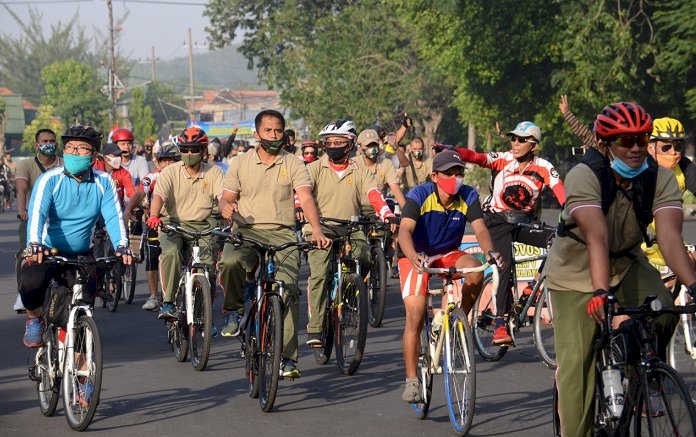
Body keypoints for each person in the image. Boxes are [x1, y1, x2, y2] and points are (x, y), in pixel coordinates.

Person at [546, 102, 696, 437]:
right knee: (577, 364)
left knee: (664, 310)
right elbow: (596, 236)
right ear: (603, 143)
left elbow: (671, 239)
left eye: (642, 139)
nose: (636, 148)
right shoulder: (584, 174)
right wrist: (601, 293)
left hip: (627, 261)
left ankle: (638, 374)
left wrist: (695, 285)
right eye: (625, 140)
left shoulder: (660, 177)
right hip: (576, 270)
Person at [217, 109, 331, 379]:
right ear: (256, 134)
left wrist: (316, 230)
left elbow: (305, 197)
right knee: (230, 262)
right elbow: (225, 198)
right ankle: (233, 311)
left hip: (282, 234)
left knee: (288, 290)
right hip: (246, 231)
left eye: (278, 130)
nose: (274, 135)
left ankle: (288, 359)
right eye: (268, 131)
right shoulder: (239, 163)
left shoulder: (293, 163)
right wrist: (226, 208)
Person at [398, 150, 501, 402]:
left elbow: (480, 228)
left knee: (475, 271)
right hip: (416, 254)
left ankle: (458, 323)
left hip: (448, 252)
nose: (455, 178)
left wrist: (490, 253)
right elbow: (404, 231)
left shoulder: (467, 195)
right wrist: (413, 256)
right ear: (434, 176)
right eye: (449, 174)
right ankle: (412, 380)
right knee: (416, 312)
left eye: (459, 173)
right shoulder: (420, 195)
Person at [450, 121, 565, 344]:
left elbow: (563, 196)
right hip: (497, 221)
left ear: (533, 144)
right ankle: (500, 324)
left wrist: (573, 218)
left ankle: (529, 291)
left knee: (559, 241)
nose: (515, 143)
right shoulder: (503, 159)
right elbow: (477, 157)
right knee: (503, 264)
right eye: (513, 138)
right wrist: (452, 151)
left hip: (524, 223)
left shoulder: (543, 166)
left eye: (521, 140)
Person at [20, 125, 133, 349]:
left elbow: (114, 217)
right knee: (30, 281)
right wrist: (34, 245)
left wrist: (122, 246)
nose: (74, 152)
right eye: (70, 147)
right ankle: (34, 319)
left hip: (83, 254)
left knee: (84, 311)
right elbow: (37, 215)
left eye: (82, 149)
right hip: (48, 251)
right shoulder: (50, 180)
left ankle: (82, 375)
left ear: (93, 155)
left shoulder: (104, 182)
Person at [303, 119, 397, 348]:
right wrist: (299, 210)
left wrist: (386, 214)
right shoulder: (314, 168)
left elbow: (374, 194)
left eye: (339, 142)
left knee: (366, 256)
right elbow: (302, 194)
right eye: (330, 142)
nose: (333, 145)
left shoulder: (361, 170)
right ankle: (316, 326)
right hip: (320, 229)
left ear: (350, 144)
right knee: (319, 274)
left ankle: (351, 290)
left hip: (351, 228)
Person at [147, 127, 224, 320]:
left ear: (204, 151)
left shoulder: (214, 173)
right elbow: (158, 195)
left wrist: (228, 210)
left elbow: (222, 197)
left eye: (194, 149)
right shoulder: (170, 172)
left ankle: (204, 314)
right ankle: (168, 302)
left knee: (209, 271)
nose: (189, 154)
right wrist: (154, 215)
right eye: (185, 149)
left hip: (204, 226)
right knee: (171, 253)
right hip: (173, 225)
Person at [13, 128, 63, 313]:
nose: (48, 144)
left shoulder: (64, 164)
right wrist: (22, 210)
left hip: (58, 218)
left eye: (52, 140)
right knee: (25, 253)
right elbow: (22, 189)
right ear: (37, 145)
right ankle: (22, 292)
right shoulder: (26, 164)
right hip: (33, 216)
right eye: (44, 141)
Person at [641, 117, 696, 267]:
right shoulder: (638, 167)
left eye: (677, 147)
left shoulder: (684, 166)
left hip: (671, 240)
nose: (673, 153)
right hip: (641, 242)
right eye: (666, 147)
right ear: (650, 147)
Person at [138, 143, 181, 311]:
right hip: (155, 222)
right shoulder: (151, 177)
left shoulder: (184, 176)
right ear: (158, 163)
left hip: (179, 223)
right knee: (152, 257)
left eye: (173, 161)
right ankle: (154, 295)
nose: (168, 165)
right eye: (165, 161)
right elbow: (140, 191)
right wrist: (130, 208)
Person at [93, 142, 145, 228]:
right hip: (95, 206)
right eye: (116, 156)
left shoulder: (124, 173)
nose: (119, 158)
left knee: (123, 230)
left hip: (116, 208)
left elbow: (131, 192)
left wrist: (137, 202)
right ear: (106, 158)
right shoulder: (95, 166)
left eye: (119, 155)